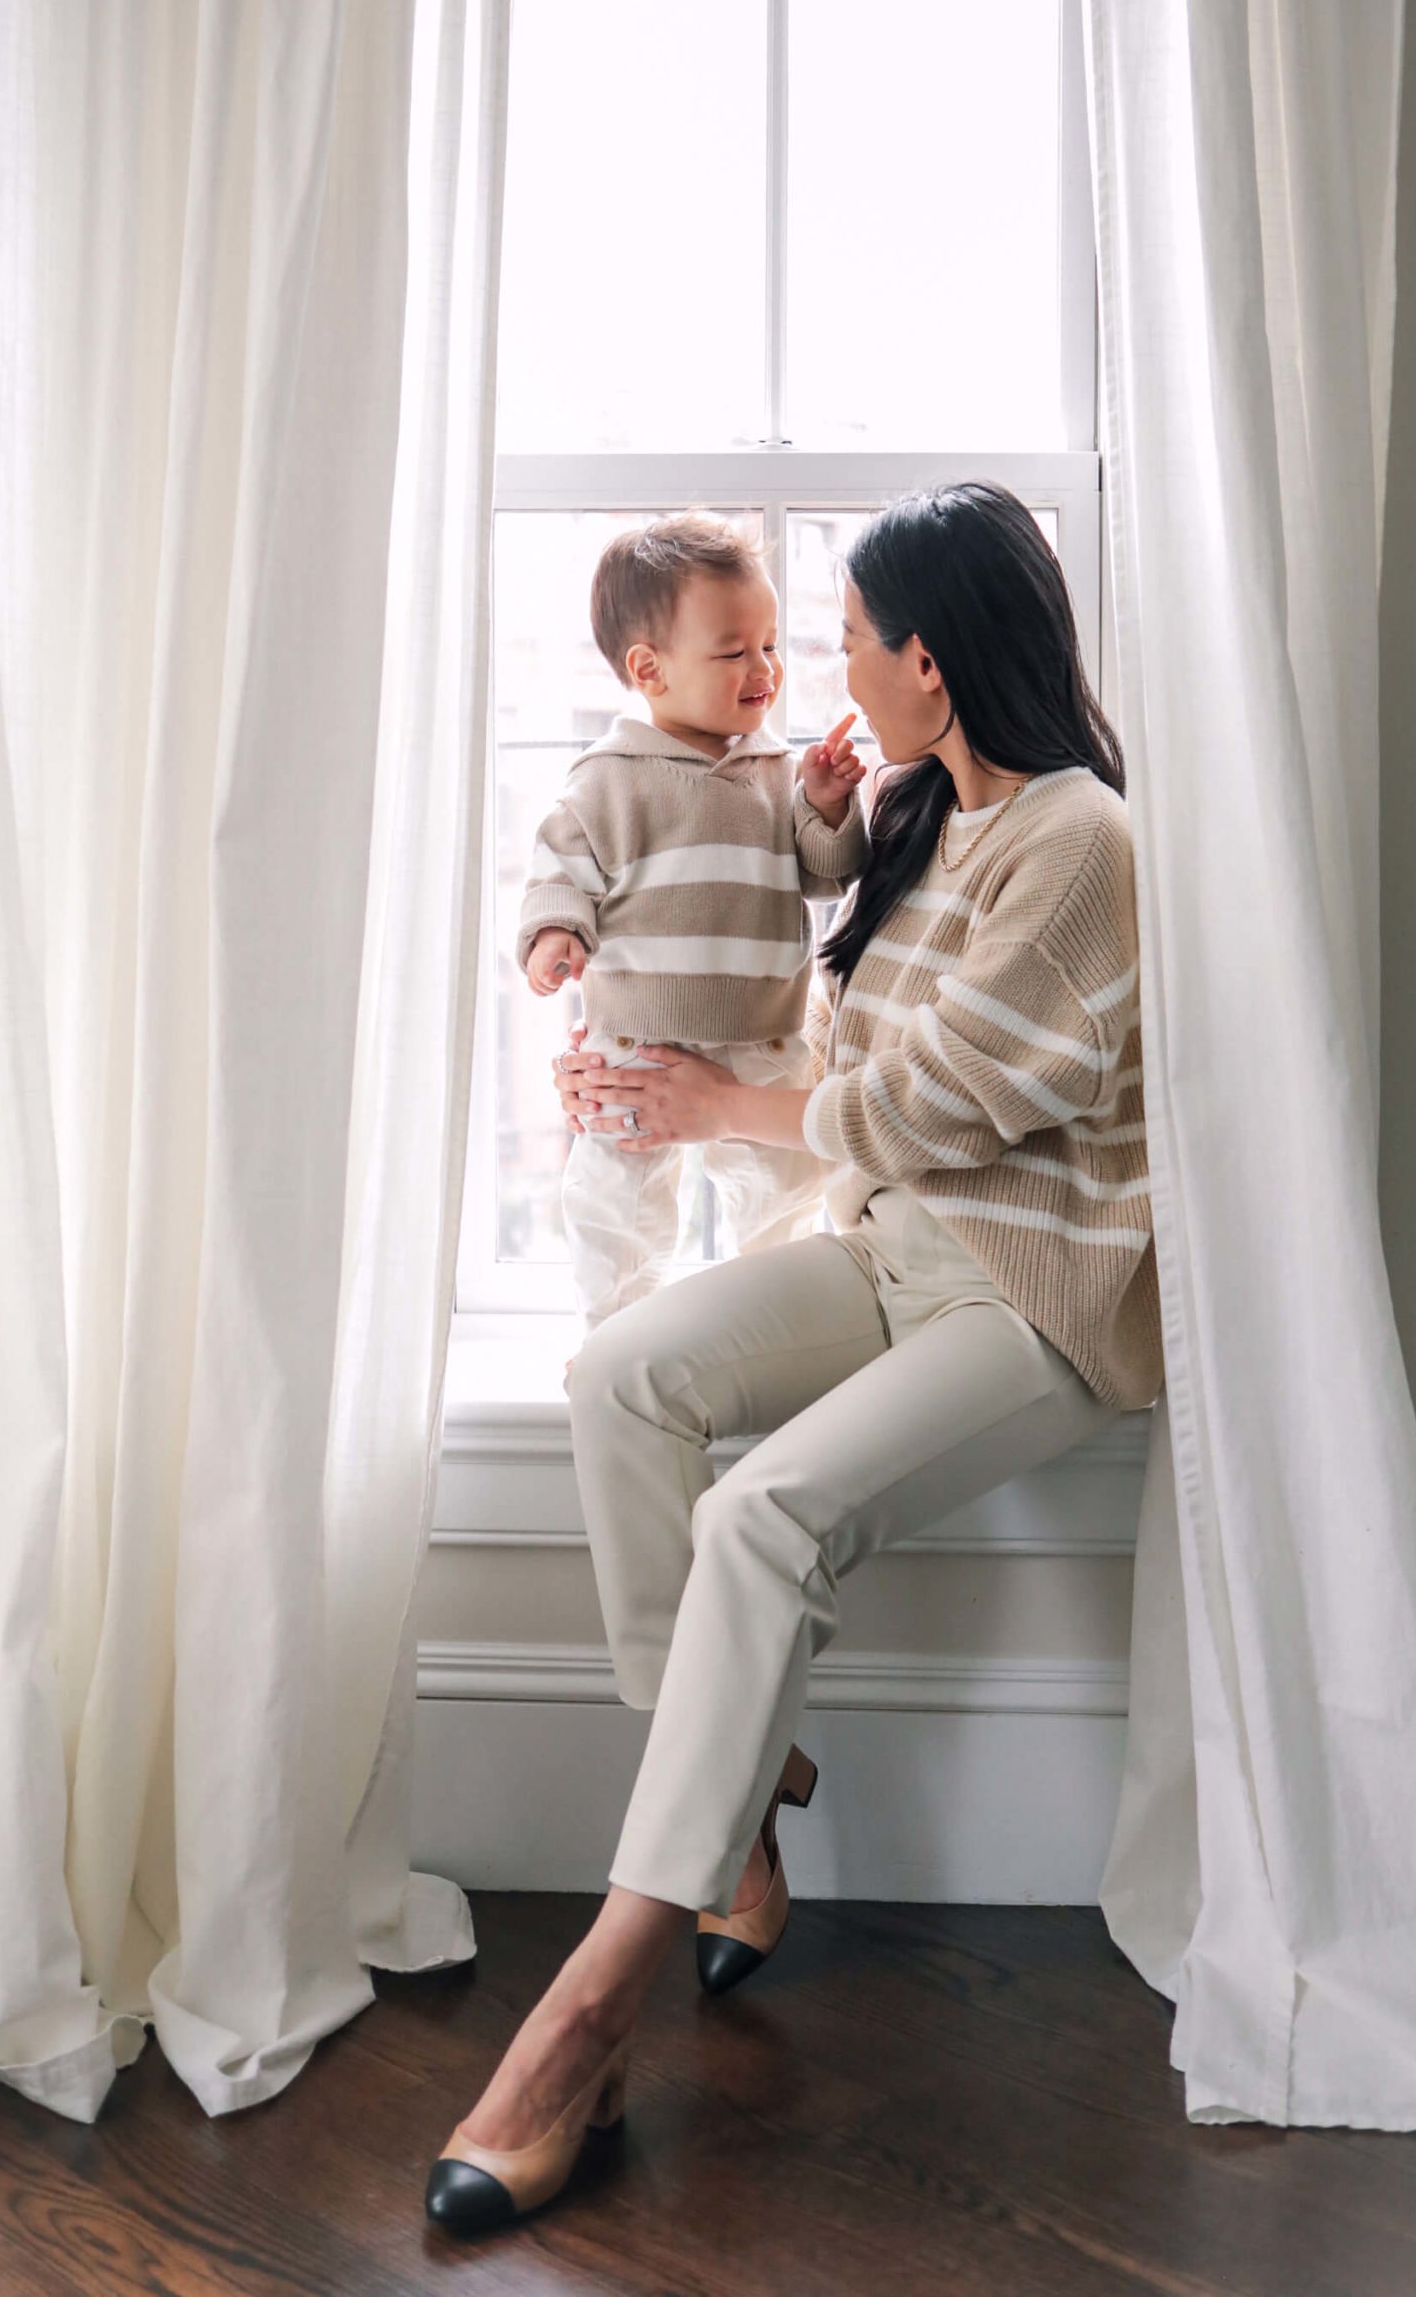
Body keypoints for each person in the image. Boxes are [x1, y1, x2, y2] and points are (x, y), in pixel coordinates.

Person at [426, 482, 1162, 2233]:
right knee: (621, 1382)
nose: (815, 669)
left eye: (839, 638)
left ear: (926, 657)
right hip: (890, 1243)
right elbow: (825, 1052)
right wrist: (634, 1064)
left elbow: (929, 1106)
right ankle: (741, 1820)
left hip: (1035, 1295)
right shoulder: (917, 815)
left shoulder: (1077, 838)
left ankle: (588, 2012)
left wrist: (715, 1102)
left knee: (760, 1517)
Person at [515, 511, 869, 1335]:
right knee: (616, 1205)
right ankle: (614, 1332)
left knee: (784, 1197)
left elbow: (825, 875)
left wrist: (823, 804)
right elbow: (558, 868)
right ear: (650, 669)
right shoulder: (608, 778)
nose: (764, 669)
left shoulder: (775, 771)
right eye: (732, 650)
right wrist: (554, 936)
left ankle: (775, 1327)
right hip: (636, 1039)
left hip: (763, 1038)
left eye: (771, 644)